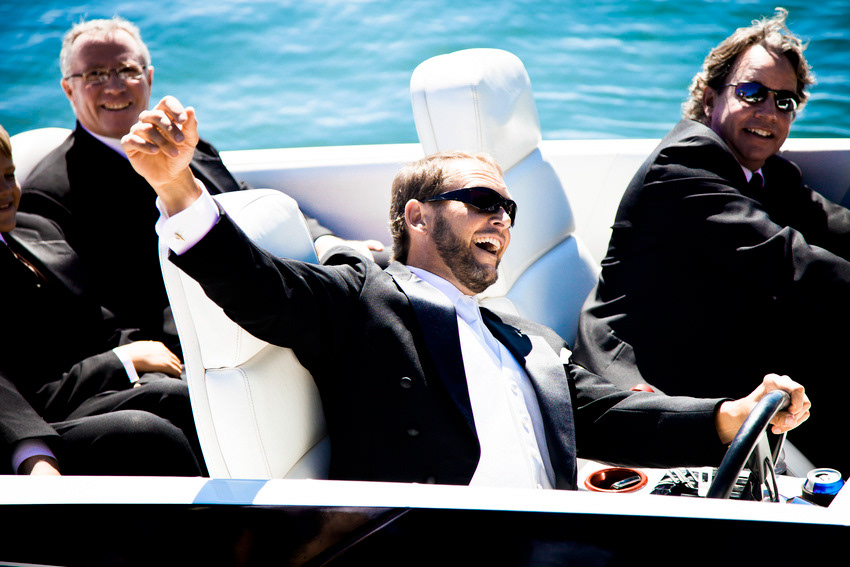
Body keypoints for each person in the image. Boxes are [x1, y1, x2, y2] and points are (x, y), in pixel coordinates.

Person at [119, 95, 809, 488]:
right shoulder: (365, 299)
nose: (501, 219)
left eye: (508, 208)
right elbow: (261, 287)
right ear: (417, 217)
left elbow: (602, 413)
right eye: (481, 201)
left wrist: (728, 416)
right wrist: (178, 188)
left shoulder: (519, 335)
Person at [571, 9, 845, 472]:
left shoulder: (767, 172)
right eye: (752, 92)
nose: (768, 112)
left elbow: (830, 222)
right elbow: (789, 261)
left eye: (784, 101)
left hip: (711, 336)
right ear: (710, 97)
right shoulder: (682, 165)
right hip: (648, 369)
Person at [20, 17, 383, 354]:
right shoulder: (50, 195)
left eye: (127, 71)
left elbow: (248, 200)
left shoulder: (185, 146)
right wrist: (135, 356)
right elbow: (80, 307)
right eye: (95, 75)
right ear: (69, 89)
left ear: (148, 78)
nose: (114, 87)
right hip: (192, 340)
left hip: (271, 286)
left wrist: (324, 240)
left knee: (382, 271)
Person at [0, 124, 203, 476]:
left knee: (185, 391)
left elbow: (95, 315)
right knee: (148, 430)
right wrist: (122, 361)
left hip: (84, 389)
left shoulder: (35, 228)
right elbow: (20, 387)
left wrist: (145, 353)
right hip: (35, 416)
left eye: (9, 176)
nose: (6, 192)